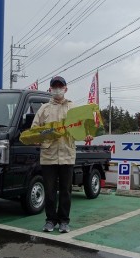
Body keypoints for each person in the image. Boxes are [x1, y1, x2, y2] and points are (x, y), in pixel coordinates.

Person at [31, 76, 93, 233]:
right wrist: (36, 139)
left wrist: (87, 134)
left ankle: (64, 221)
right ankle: (50, 220)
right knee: (50, 191)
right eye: (54, 87)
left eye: (60, 86)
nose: (57, 89)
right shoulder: (44, 109)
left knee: (66, 190)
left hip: (67, 154)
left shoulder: (74, 108)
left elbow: (84, 128)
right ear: (50, 89)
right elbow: (34, 129)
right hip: (48, 155)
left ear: (66, 88)